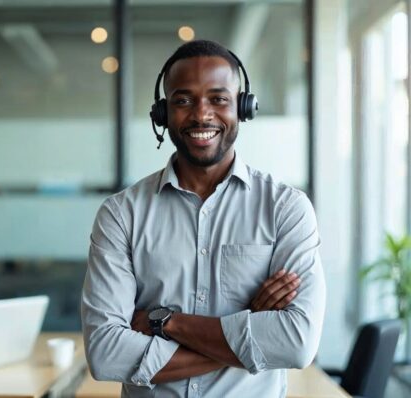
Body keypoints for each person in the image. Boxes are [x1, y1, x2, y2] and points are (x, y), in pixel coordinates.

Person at [81, 40, 325, 397]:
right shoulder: (121, 214)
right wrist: (248, 326)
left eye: (219, 99)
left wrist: (164, 322)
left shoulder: (286, 209)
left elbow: (296, 344)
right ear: (162, 114)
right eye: (183, 101)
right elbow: (105, 355)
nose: (201, 114)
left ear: (243, 107)